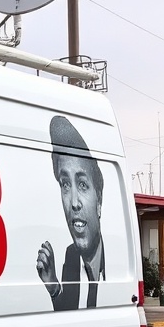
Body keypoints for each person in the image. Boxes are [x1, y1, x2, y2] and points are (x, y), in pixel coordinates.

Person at [36, 115, 105, 310]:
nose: (74, 203)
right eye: (65, 184)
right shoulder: (72, 256)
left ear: (98, 198)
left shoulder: (114, 265)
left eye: (82, 184)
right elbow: (69, 319)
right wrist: (54, 288)